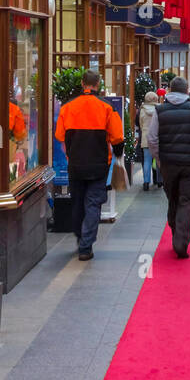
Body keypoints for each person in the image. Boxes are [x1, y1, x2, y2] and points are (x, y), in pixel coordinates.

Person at [54, 70, 124, 262]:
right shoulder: (107, 107)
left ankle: (79, 236)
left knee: (77, 202)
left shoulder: (68, 107)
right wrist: (118, 154)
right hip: (99, 163)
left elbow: (60, 135)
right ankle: (86, 245)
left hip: (75, 163)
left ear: (83, 83)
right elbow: (117, 137)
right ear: (98, 84)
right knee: (93, 203)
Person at [147, 76, 190, 258]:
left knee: (172, 197)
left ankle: (175, 227)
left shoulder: (160, 111)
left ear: (169, 91)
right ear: (186, 91)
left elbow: (152, 139)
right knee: (186, 200)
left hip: (168, 163)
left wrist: (159, 158)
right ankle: (181, 241)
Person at [137, 88, 163, 190]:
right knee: (158, 160)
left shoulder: (142, 110)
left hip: (146, 138)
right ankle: (160, 181)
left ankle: (146, 182)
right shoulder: (160, 109)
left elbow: (141, 124)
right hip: (157, 137)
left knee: (147, 161)